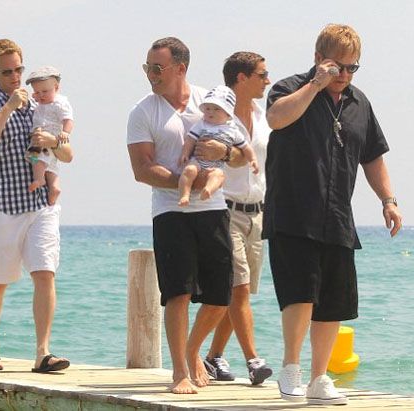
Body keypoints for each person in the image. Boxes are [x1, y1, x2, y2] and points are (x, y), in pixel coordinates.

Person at [265, 24, 402, 405]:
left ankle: (319, 378)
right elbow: (276, 119)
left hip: (338, 216)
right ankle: (290, 366)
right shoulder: (289, 88)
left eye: (351, 68)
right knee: (300, 293)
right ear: (317, 59)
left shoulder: (360, 103)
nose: (343, 75)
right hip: (293, 213)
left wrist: (388, 200)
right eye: (336, 66)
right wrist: (314, 85)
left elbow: (372, 155)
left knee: (332, 302)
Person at [127, 37, 242, 394]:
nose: (151, 74)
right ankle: (179, 371)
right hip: (170, 211)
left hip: (213, 209)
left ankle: (193, 351)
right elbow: (142, 169)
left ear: (180, 68)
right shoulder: (143, 111)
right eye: (147, 67)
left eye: (157, 67)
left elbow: (239, 154)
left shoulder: (211, 101)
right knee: (177, 292)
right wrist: (188, 181)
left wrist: (223, 151)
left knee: (222, 295)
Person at [0, 39, 73, 373]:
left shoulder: (43, 103)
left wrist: (54, 141)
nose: (15, 77)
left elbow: (68, 155)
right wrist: (7, 109)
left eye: (18, 69)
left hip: (40, 203)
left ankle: (43, 352)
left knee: (45, 273)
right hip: (3, 204)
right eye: (7, 72)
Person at [200, 52, 273, 386]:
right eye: (262, 74)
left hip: (257, 213)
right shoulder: (217, 117)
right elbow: (210, 154)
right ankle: (253, 361)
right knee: (239, 288)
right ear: (241, 78)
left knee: (240, 293)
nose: (268, 80)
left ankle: (213, 357)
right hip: (225, 210)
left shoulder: (263, 116)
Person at [178, 85, 258, 206]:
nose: (211, 112)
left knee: (219, 175)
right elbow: (190, 139)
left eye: (216, 109)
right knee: (189, 170)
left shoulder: (232, 130)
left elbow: (245, 147)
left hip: (216, 165)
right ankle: (185, 194)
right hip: (198, 161)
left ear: (227, 113)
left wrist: (253, 160)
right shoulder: (202, 124)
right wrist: (185, 153)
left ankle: (208, 190)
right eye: (208, 108)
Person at [24, 66, 74, 205]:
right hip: (45, 141)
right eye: (37, 92)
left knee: (37, 160)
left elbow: (68, 119)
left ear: (56, 88)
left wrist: (65, 132)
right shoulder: (39, 103)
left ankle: (39, 179)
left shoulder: (60, 103)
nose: (41, 95)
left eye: (45, 91)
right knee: (51, 167)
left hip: (46, 139)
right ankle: (54, 187)